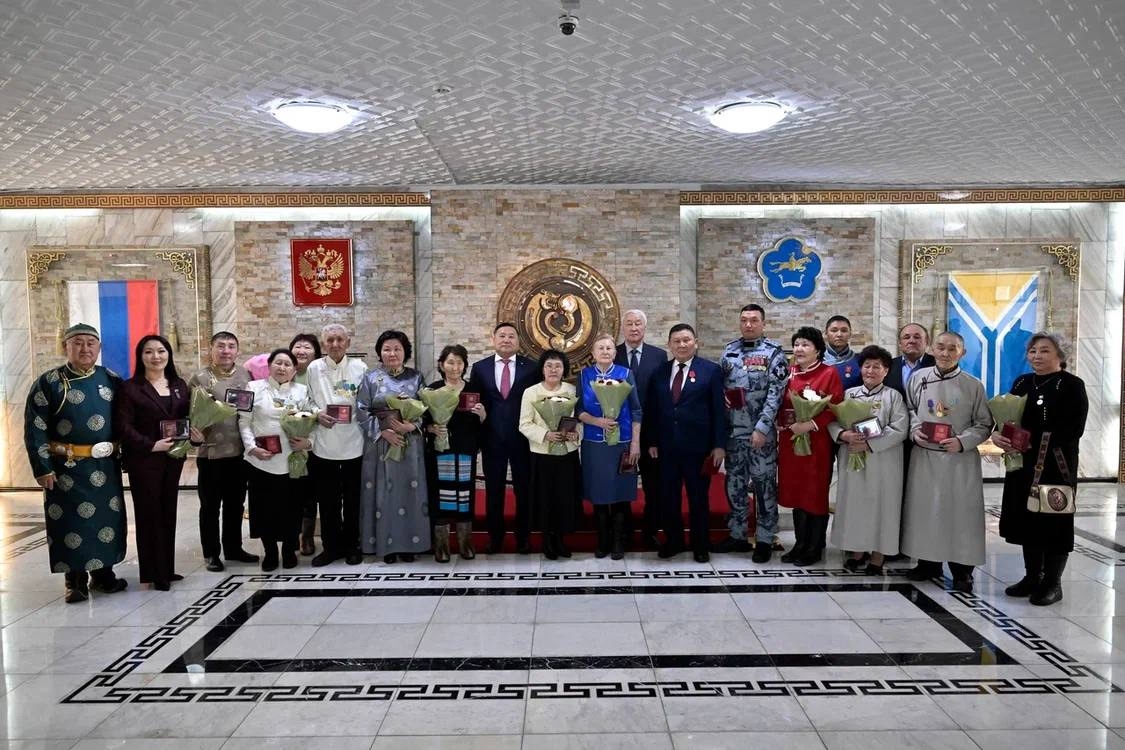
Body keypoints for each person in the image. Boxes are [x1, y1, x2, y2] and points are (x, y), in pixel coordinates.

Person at [24, 323, 130, 603]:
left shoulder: (111, 379)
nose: (85, 348)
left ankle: (104, 575)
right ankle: (75, 581)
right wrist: (42, 467)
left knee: (106, 521)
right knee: (70, 524)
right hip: (66, 468)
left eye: (91, 343)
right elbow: (35, 427)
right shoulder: (49, 383)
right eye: (78, 343)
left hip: (105, 466)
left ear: (99, 348)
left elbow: (126, 421)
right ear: (66, 347)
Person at [994, 332, 1088, 606]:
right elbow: (1007, 417)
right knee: (1028, 519)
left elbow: (1074, 429)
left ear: (1061, 355)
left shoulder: (1072, 385)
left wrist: (1034, 441)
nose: (1037, 356)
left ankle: (1052, 583)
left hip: (1054, 465)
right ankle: (1032, 576)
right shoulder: (1023, 382)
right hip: (1023, 465)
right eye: (1033, 351)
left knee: (1053, 521)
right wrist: (1000, 435)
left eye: (1044, 351)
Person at [902, 331, 993, 593]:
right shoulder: (918, 379)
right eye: (940, 347)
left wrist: (963, 441)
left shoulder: (973, 385)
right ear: (931, 349)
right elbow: (910, 410)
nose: (945, 353)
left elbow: (984, 423)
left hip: (958, 460)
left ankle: (962, 569)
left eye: (952, 349)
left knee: (960, 515)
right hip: (925, 456)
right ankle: (927, 562)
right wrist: (914, 430)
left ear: (962, 353)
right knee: (926, 511)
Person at [113, 335, 200, 590]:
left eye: (161, 351)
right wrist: (150, 445)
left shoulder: (178, 385)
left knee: (168, 513)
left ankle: (167, 569)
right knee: (149, 514)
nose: (156, 356)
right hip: (144, 460)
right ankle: (154, 572)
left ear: (168, 355)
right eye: (149, 352)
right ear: (141, 357)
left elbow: (187, 418)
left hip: (173, 458)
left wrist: (196, 435)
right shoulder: (130, 388)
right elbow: (123, 426)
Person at [644, 324, 726, 563]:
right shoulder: (659, 372)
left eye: (686, 340)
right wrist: (651, 440)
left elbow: (719, 411)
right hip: (666, 448)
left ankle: (701, 544)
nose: (681, 345)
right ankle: (674, 540)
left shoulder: (711, 371)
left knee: (698, 497)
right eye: (676, 341)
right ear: (669, 345)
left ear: (696, 342)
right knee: (668, 497)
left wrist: (719, 445)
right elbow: (652, 410)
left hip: (698, 449)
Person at [828, 345, 908, 575]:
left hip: (883, 462)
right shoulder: (849, 394)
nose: (871, 370)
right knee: (855, 505)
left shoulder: (893, 396)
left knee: (882, 506)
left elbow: (900, 429)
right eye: (867, 366)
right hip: (853, 456)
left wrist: (870, 443)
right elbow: (833, 421)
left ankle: (878, 555)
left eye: (877, 367)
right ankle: (856, 551)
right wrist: (843, 435)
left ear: (886, 371)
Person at [719, 304, 788, 562]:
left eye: (754, 320)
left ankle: (765, 538)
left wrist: (762, 427)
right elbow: (721, 387)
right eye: (744, 320)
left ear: (763, 323)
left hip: (761, 435)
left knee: (763, 486)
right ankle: (737, 534)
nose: (749, 324)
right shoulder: (729, 351)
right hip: (734, 433)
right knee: (734, 485)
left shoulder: (774, 354)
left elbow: (776, 394)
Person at [188, 331, 259, 572]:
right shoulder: (199, 378)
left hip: (239, 452)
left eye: (231, 346)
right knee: (210, 506)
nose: (226, 350)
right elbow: (190, 414)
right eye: (221, 346)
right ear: (211, 349)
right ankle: (211, 553)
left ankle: (233, 548)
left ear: (237, 351)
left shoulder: (244, 375)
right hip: (211, 453)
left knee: (235, 504)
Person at [357, 330, 429, 564]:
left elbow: (427, 409)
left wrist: (413, 425)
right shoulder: (370, 378)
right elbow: (361, 411)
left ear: (405, 352)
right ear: (379, 352)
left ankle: (409, 544)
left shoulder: (416, 377)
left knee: (409, 491)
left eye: (397, 348)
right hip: (380, 446)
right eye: (387, 349)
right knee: (383, 494)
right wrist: (382, 432)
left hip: (410, 445)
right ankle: (385, 545)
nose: (392, 353)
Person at [239, 348, 314, 571]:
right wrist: (252, 448)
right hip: (261, 460)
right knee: (264, 509)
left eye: (287, 364)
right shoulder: (252, 388)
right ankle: (270, 551)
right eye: (278, 363)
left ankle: (289, 550)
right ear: (269, 366)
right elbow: (243, 421)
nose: (282, 368)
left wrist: (307, 443)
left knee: (292, 508)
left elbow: (312, 418)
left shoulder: (302, 391)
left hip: (293, 459)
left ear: (294, 370)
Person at [777, 326, 844, 566]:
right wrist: (779, 422)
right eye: (796, 344)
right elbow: (779, 402)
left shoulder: (829, 374)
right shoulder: (788, 373)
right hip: (791, 442)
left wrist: (811, 424)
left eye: (805, 344)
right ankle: (800, 543)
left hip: (817, 443)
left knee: (814, 493)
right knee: (796, 492)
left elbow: (835, 408)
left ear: (818, 350)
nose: (799, 349)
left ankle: (815, 546)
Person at [468, 322, 537, 554]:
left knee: (524, 490)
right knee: (493, 490)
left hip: (523, 439)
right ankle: (494, 538)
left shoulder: (532, 368)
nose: (506, 339)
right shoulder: (480, 368)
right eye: (502, 336)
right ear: (494, 339)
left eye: (511, 336)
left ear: (518, 341)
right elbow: (475, 402)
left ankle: (523, 537)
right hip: (492, 438)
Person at [306, 324, 367, 567]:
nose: (335, 344)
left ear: (348, 343)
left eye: (340, 339)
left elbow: (365, 403)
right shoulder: (313, 368)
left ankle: (352, 545)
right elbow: (307, 399)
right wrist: (316, 414)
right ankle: (331, 547)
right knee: (328, 500)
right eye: (330, 340)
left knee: (353, 500)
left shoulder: (360, 368)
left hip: (353, 442)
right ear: (323, 344)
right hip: (324, 443)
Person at [577, 334, 643, 559]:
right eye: (601, 348)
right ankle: (602, 540)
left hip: (622, 443)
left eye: (609, 348)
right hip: (594, 445)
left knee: (619, 493)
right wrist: (597, 421)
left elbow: (636, 410)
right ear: (593, 353)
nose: (605, 351)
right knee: (598, 494)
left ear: (615, 353)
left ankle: (618, 541)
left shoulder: (626, 374)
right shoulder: (584, 375)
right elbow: (578, 411)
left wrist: (635, 443)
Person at [424, 344, 487, 561]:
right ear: (442, 365)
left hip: (465, 451)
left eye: (459, 362)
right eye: (450, 362)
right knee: (439, 496)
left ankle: (465, 542)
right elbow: (421, 421)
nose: (455, 367)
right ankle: (441, 545)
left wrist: (482, 415)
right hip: (440, 452)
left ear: (465, 365)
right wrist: (431, 428)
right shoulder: (431, 390)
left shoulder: (473, 391)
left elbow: (483, 426)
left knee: (464, 495)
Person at [518, 349, 581, 560]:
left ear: (564, 370)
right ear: (542, 369)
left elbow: (579, 419)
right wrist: (546, 434)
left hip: (567, 454)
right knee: (545, 498)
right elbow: (524, 424)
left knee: (564, 497)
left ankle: (560, 540)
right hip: (541, 453)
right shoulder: (531, 392)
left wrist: (575, 435)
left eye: (558, 366)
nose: (553, 369)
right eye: (549, 365)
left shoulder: (572, 391)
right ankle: (547, 541)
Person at [615, 309, 667, 549]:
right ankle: (624, 533)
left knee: (653, 486)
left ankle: (650, 532)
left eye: (638, 324)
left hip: (650, 435)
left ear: (644, 328)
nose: (634, 328)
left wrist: (656, 436)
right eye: (629, 324)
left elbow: (662, 400)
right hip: (620, 434)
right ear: (622, 328)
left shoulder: (659, 356)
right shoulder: (611, 354)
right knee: (623, 484)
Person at [882, 323, 935, 561]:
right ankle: (895, 544)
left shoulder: (938, 365)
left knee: (922, 496)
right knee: (896, 494)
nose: (911, 341)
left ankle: (922, 547)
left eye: (917, 337)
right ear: (900, 342)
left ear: (927, 340)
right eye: (906, 337)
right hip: (894, 443)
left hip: (927, 442)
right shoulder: (888, 366)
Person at [288, 333, 321, 554]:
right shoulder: (285, 375)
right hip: (290, 444)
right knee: (293, 492)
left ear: (316, 353)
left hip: (315, 443)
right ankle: (293, 535)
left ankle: (307, 537)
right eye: (297, 346)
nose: (301, 350)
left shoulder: (319, 375)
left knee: (311, 490)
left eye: (307, 347)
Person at [822, 315, 862, 389]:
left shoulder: (860, 361)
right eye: (834, 330)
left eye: (844, 330)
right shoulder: (814, 360)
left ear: (850, 334)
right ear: (826, 333)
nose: (839, 334)